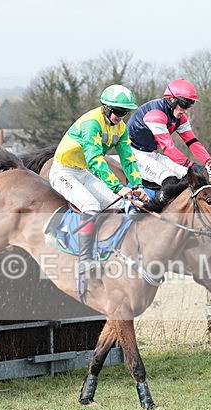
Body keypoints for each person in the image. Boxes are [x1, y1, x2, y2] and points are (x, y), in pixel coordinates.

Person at [49, 84, 149, 273]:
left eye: (125, 113)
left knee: (117, 205)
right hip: (63, 172)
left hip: (82, 173)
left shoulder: (120, 128)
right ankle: (84, 259)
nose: (120, 117)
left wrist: (137, 186)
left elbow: (128, 159)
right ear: (106, 108)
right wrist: (119, 187)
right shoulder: (91, 123)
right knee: (91, 205)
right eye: (118, 112)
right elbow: (95, 160)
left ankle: (104, 249)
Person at [125, 78, 211, 211]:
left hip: (150, 153)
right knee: (169, 179)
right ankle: (147, 208)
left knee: (186, 176)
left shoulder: (180, 117)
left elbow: (192, 142)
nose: (186, 110)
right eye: (184, 104)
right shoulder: (156, 115)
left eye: (189, 105)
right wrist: (192, 165)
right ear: (171, 99)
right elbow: (168, 149)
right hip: (132, 153)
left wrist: (209, 161)